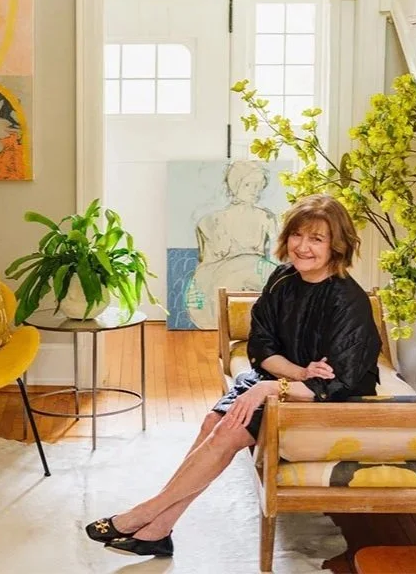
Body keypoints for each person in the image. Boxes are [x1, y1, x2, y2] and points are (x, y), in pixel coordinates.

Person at [84, 193, 381, 558]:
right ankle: (159, 529)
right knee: (213, 420)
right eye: (297, 235)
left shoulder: (347, 301)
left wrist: (278, 385)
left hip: (329, 405)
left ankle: (145, 515)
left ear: (336, 246)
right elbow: (260, 346)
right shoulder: (283, 279)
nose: (302, 247)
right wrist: (297, 372)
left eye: (316, 239)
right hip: (287, 383)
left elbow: (333, 386)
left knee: (227, 430)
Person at [184, 161, 281, 329]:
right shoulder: (213, 220)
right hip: (222, 277)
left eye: (258, 185)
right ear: (235, 185)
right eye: (248, 184)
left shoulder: (266, 218)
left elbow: (275, 258)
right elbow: (205, 263)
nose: (254, 190)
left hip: (257, 273)